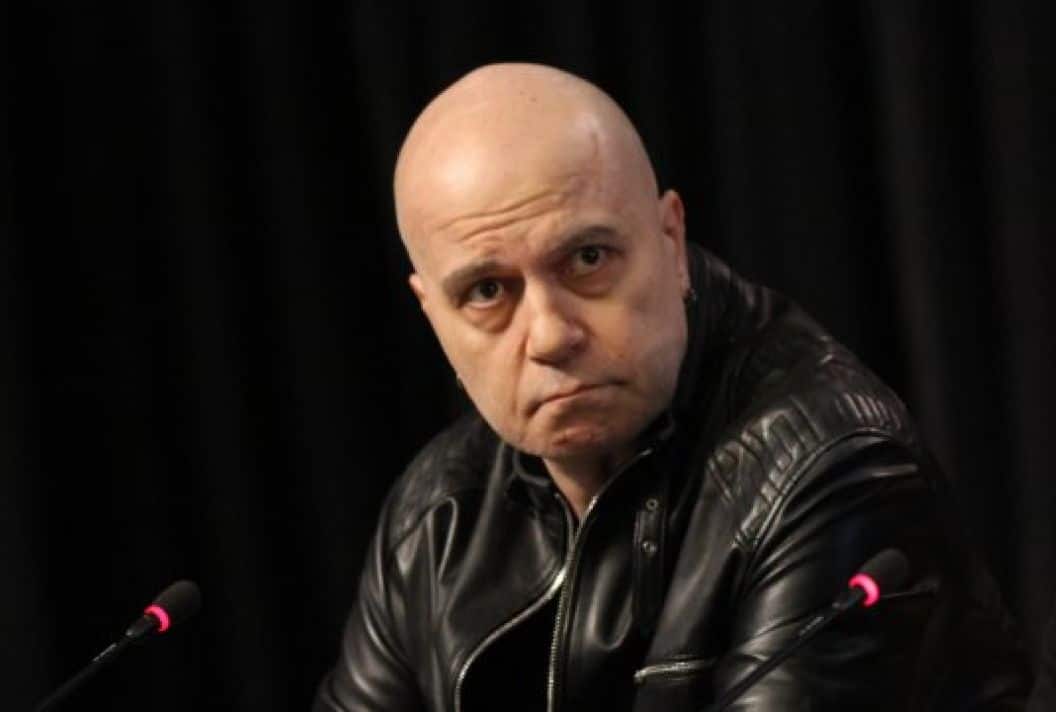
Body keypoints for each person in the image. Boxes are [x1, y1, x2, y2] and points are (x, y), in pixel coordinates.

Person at [314, 63, 1031, 711]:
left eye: (587, 258)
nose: (550, 334)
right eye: (487, 291)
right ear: (431, 313)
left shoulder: (831, 470)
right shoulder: (434, 517)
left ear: (671, 241)